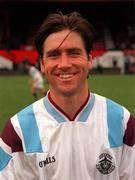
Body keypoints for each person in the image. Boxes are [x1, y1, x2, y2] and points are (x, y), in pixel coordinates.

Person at [0, 12, 135, 180]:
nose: (64, 64)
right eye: (54, 54)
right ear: (42, 64)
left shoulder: (122, 122)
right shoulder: (17, 131)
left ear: (89, 60)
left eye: (73, 52)